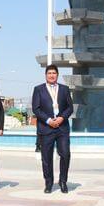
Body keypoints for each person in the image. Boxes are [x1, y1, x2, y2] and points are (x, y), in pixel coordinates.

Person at [32, 64, 74, 193]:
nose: (51, 75)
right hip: (46, 128)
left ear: (57, 75)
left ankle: (63, 181)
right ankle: (48, 183)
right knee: (47, 157)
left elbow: (70, 108)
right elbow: (36, 109)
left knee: (65, 154)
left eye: (54, 73)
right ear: (46, 75)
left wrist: (62, 117)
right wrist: (49, 120)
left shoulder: (64, 89)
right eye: (49, 73)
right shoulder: (38, 89)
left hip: (62, 128)